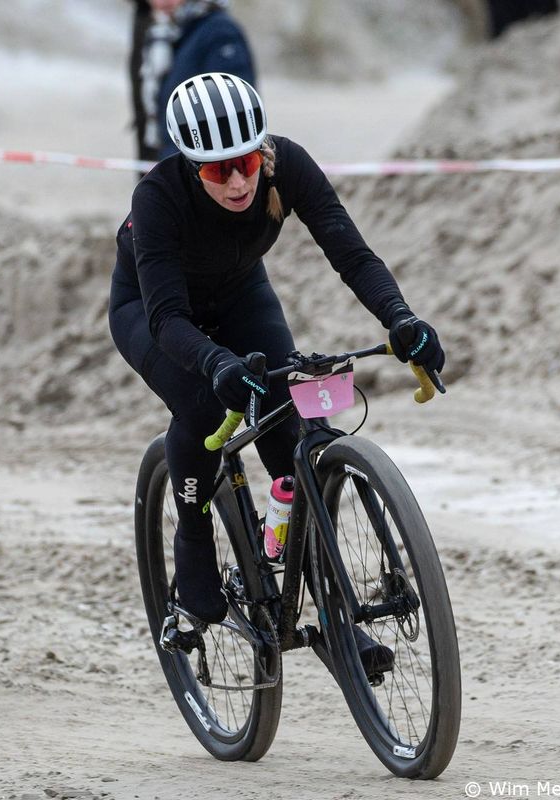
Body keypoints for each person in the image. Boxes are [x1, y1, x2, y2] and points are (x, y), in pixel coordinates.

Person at [108, 73, 445, 668]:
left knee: (289, 432)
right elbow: (166, 319)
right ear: (192, 167)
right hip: (153, 310)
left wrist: (402, 320)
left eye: (243, 162)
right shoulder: (157, 199)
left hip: (240, 293)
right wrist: (216, 363)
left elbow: (351, 253)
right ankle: (193, 545)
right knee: (206, 403)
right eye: (217, 171)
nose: (237, 181)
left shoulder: (287, 165)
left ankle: (330, 616)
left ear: (260, 150)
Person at [132, 0, 256, 164]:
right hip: (175, 161)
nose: (161, 2)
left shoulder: (219, 32)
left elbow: (234, 114)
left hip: (207, 171)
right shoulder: (167, 34)